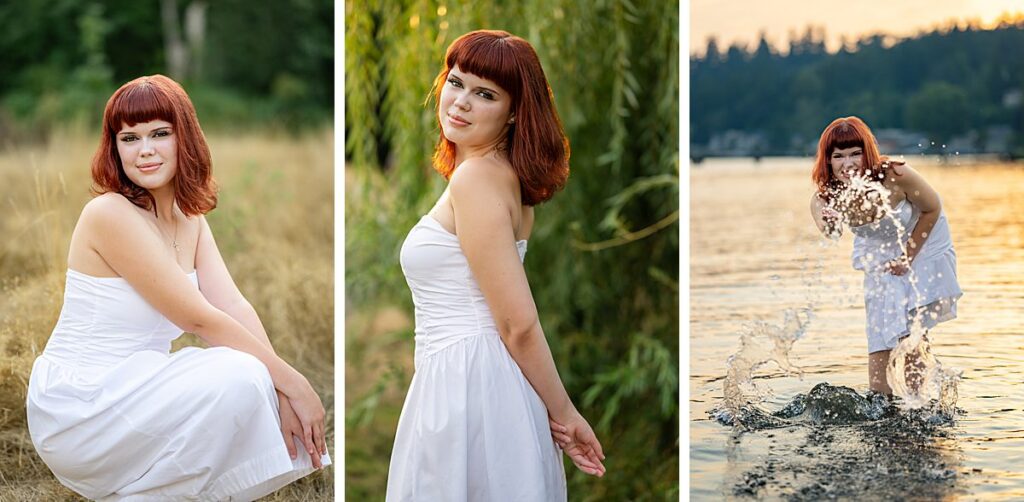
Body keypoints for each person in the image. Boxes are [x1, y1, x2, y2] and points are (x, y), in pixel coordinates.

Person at [25, 74, 330, 500]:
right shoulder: (108, 214)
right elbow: (197, 317)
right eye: (129, 138)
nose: (145, 150)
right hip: (82, 403)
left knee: (252, 374)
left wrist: (279, 388)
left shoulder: (191, 219)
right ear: (114, 147)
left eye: (159, 134)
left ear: (183, 137)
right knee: (239, 374)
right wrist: (295, 384)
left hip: (139, 388)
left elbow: (234, 306)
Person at [385, 30, 606, 501]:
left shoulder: (478, 180)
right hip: (474, 379)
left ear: (513, 113)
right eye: (456, 82)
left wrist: (566, 415)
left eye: (485, 94)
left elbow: (517, 323)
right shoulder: (501, 178)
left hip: (473, 388)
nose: (460, 102)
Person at [809, 116, 962, 396]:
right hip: (879, 255)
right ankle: (883, 403)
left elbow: (932, 208)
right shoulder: (825, 198)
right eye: (839, 156)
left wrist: (908, 257)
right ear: (828, 161)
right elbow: (830, 232)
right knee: (879, 337)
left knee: (909, 333)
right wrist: (830, 221)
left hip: (923, 244)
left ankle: (922, 404)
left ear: (867, 152)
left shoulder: (895, 175)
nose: (848, 164)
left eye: (855, 153)